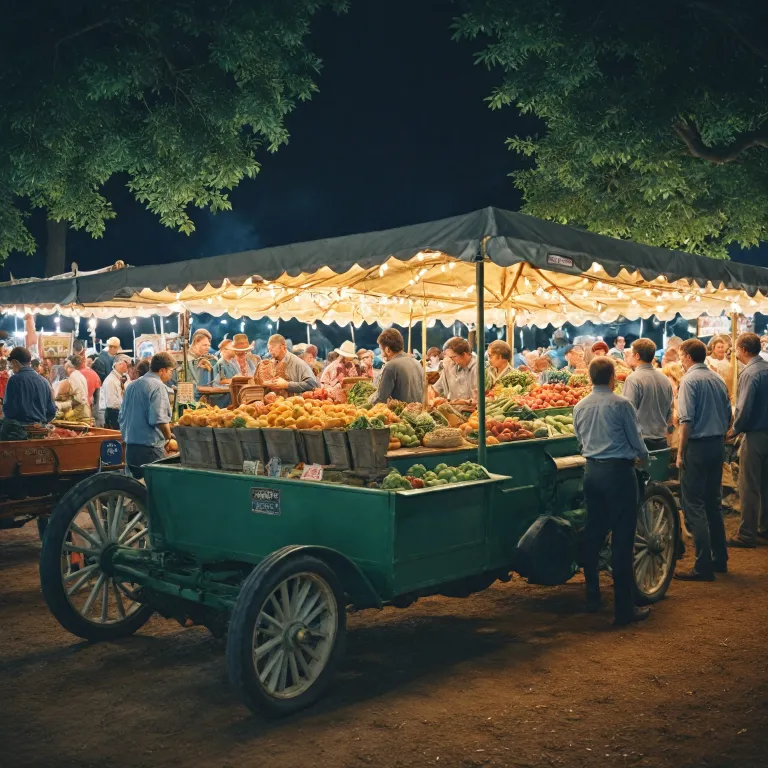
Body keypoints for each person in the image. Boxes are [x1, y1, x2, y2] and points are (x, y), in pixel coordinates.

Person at [573, 357, 650, 626]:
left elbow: (580, 440)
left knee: (593, 535)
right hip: (618, 473)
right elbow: (637, 441)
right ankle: (623, 609)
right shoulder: (621, 404)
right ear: (613, 377)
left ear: (590, 378)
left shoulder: (580, 405)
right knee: (622, 539)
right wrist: (644, 458)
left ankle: (593, 597)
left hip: (591, 473)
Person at [675, 338, 732, 581]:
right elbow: (730, 416)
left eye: (681, 355)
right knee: (713, 503)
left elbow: (686, 421)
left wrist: (679, 452)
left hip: (697, 446)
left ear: (687, 356)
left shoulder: (689, 380)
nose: (680, 359)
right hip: (717, 444)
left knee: (694, 505)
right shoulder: (717, 378)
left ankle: (702, 566)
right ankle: (720, 559)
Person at [727, 333, 768, 548]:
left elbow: (744, 408)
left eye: (735, 349)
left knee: (749, 486)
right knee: (765, 485)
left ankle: (747, 533)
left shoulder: (750, 374)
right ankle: (764, 528)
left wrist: (734, 429)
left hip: (756, 435)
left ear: (743, 349)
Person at [119, 352, 175, 479]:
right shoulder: (158, 386)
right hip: (149, 449)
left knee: (138, 491)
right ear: (162, 370)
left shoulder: (132, 385)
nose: (171, 374)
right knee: (160, 488)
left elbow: (121, 416)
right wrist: (168, 437)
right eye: (170, 370)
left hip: (131, 448)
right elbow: (159, 418)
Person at [622, 339, 674, 451]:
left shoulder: (633, 379)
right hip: (661, 440)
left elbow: (627, 412)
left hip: (640, 442)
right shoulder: (664, 379)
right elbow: (670, 411)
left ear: (637, 356)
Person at [3, 347, 56, 424]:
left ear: (15, 362)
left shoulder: (14, 380)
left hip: (19, 431)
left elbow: (8, 409)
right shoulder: (44, 381)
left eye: (11, 364)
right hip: (40, 431)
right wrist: (41, 423)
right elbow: (52, 411)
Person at [371, 328, 424, 404]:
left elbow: (381, 399)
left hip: (400, 414)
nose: (381, 354)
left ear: (387, 349)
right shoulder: (417, 362)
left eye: (381, 350)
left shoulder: (391, 366)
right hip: (418, 412)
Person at [432, 337, 478, 402]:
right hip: (453, 410)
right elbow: (437, 387)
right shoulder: (449, 366)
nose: (452, 361)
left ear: (464, 354)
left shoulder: (479, 368)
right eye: (449, 357)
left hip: (474, 411)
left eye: (453, 357)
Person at [100, 354, 130, 430]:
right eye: (127, 363)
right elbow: (112, 403)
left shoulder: (124, 377)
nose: (129, 366)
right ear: (120, 364)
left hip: (122, 413)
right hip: (114, 415)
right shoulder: (110, 380)